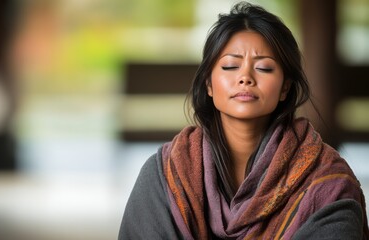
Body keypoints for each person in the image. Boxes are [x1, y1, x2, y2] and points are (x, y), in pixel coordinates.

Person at [118, 2, 369, 239]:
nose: (245, 77)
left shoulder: (328, 182)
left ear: (285, 88)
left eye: (264, 68)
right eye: (230, 66)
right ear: (208, 83)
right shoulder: (165, 175)